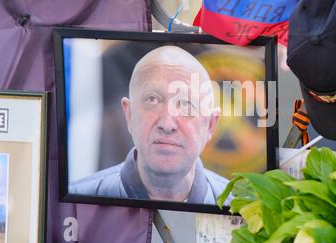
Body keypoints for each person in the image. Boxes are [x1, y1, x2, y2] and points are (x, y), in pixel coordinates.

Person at [70, 46, 231, 206]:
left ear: (210, 125)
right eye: (152, 99)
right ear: (129, 114)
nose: (167, 124)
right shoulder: (74, 205)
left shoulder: (245, 213)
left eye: (186, 104)